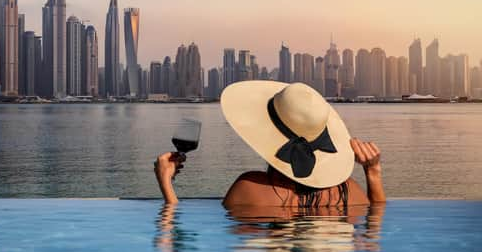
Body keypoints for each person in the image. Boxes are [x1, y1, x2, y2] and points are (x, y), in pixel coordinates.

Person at [155, 81, 386, 207]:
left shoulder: (249, 189)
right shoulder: (351, 193)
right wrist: (373, 174)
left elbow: (174, 237)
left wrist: (166, 185)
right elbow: (375, 227)